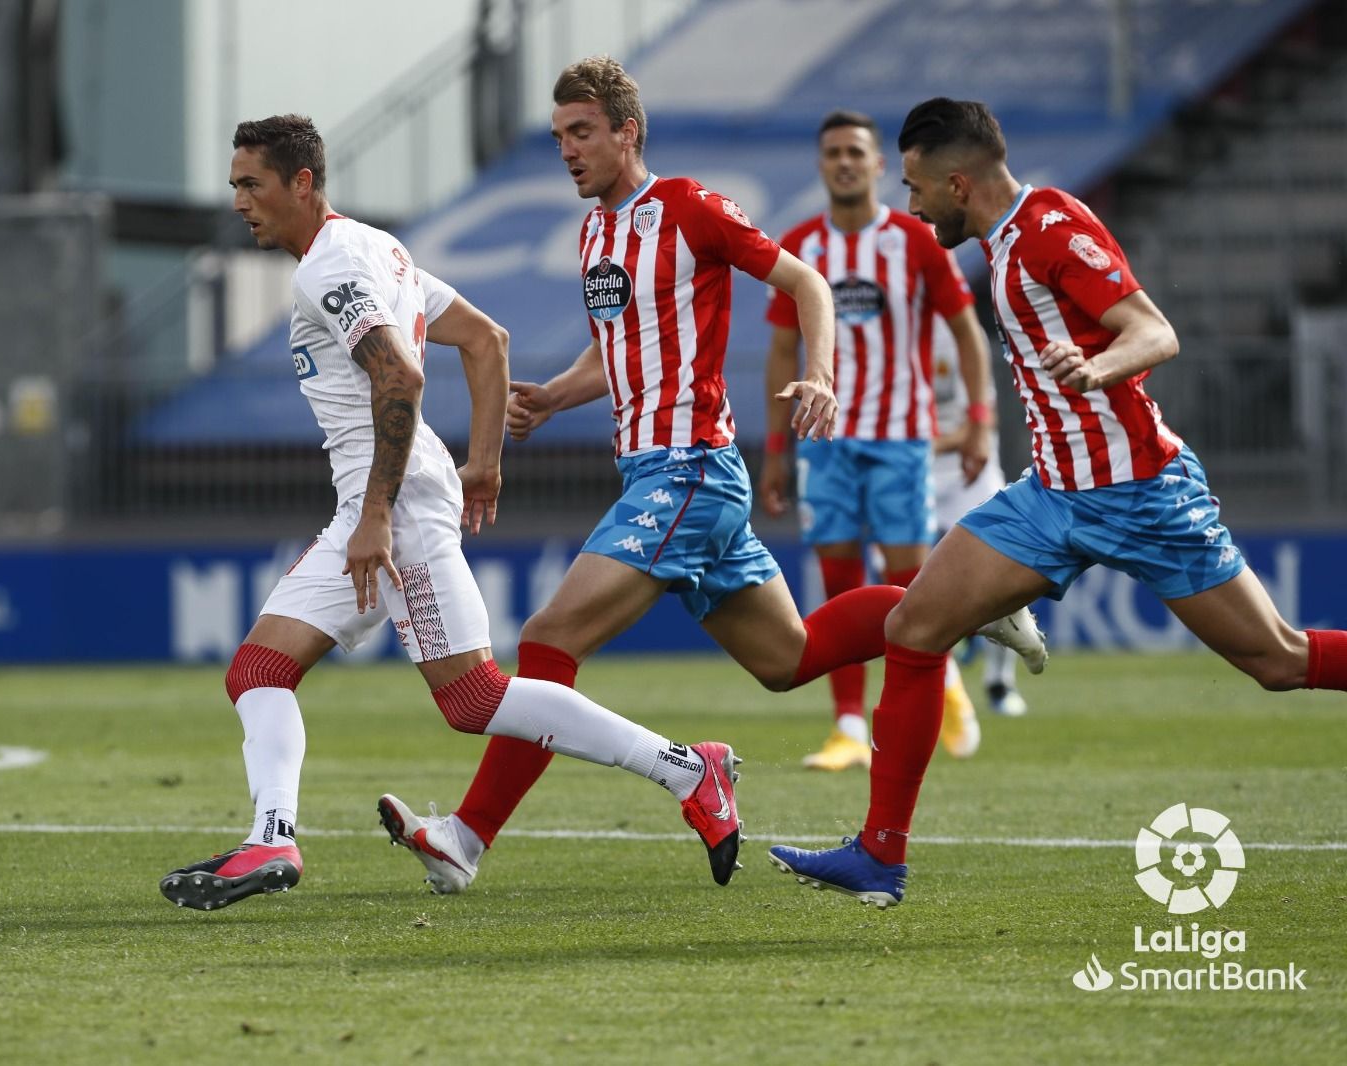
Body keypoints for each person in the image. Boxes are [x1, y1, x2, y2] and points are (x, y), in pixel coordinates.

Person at [378, 58, 1046, 895]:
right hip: (666, 479)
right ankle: (974, 601)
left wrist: (824, 374)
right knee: (789, 657)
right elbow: (616, 348)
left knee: (549, 640)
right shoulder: (595, 234)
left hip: (690, 471)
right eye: (558, 138)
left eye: (582, 132)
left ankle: (468, 837)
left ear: (628, 131)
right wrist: (554, 394)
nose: (567, 151)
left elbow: (805, 283)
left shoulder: (690, 207)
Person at [160, 114, 749, 911]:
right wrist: (483, 465)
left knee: (473, 698)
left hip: (391, 504)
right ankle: (272, 836)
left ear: (302, 183)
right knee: (260, 670)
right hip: (388, 497)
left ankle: (686, 768)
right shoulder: (378, 248)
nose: (239, 201)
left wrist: (377, 514)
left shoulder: (327, 268)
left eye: (251, 184)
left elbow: (400, 377)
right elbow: (487, 339)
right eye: (234, 185)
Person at [768, 98, 1347, 908]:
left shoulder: (1049, 228)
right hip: (1051, 494)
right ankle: (879, 857)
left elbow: (1153, 330)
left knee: (1276, 661)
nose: (911, 204)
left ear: (959, 183)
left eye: (917, 188)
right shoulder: (1000, 243)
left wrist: (1098, 367)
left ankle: (972, 621)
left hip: (1140, 493)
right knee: (915, 626)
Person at [760, 109, 999, 771]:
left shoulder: (913, 239)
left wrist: (979, 418)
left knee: (910, 579)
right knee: (838, 576)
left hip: (900, 435)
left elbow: (965, 331)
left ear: (875, 166)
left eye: (855, 152)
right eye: (833, 151)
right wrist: (776, 451)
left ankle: (940, 682)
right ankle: (844, 727)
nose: (844, 162)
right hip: (823, 435)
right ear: (821, 164)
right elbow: (782, 351)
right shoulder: (802, 245)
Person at [928, 314, 1028, 717]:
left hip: (968, 471)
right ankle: (938, 675)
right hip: (908, 473)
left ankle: (1000, 683)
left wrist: (920, 443)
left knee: (1009, 566)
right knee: (896, 582)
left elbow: (984, 422)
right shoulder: (882, 333)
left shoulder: (960, 333)